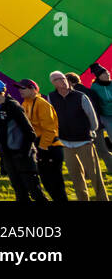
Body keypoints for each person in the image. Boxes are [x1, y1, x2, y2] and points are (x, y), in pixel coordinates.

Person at [0, 78, 46, 201]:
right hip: (8, 157)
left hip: (22, 157)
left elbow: (30, 133)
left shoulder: (13, 106)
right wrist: (2, 158)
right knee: (20, 193)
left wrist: (23, 153)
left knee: (35, 193)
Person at [48, 71, 108, 201]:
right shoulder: (51, 97)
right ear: (54, 83)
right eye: (58, 79)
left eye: (64, 78)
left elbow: (93, 120)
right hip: (66, 144)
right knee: (76, 177)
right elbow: (52, 119)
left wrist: (88, 132)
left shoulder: (80, 96)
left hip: (84, 142)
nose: (63, 80)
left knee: (95, 176)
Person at [18, 79, 66, 201]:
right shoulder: (25, 103)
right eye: (19, 87)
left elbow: (50, 129)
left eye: (22, 88)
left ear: (33, 89)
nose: (19, 90)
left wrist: (42, 148)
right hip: (40, 146)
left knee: (55, 184)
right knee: (47, 183)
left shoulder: (42, 103)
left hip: (50, 147)